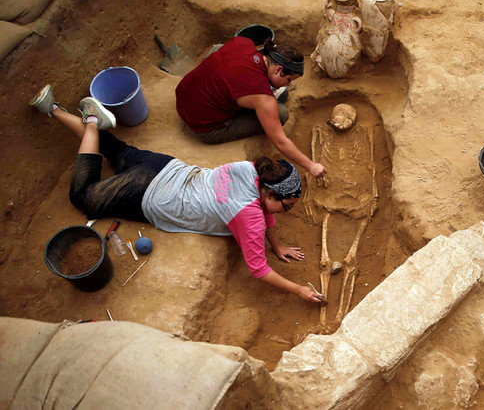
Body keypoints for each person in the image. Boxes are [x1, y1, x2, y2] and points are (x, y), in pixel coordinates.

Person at [29, 84, 325, 304]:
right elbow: (259, 270)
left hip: (163, 165)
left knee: (114, 149)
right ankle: (93, 122)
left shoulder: (250, 169)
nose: (287, 212)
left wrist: (278, 244)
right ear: (270, 194)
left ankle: (52, 107)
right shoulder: (248, 216)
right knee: (84, 197)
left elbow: (266, 216)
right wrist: (299, 289)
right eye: (287, 206)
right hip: (146, 193)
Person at [175, 35, 327, 179]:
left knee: (220, 50)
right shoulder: (263, 99)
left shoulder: (243, 43)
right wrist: (311, 166)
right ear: (278, 69)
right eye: (288, 80)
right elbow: (280, 141)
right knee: (280, 113)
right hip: (204, 127)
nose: (288, 84)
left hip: (183, 97)